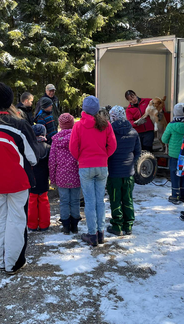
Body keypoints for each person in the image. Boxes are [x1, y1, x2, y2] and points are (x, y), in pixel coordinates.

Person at [0, 74, 40, 275]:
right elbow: (33, 157)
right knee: (16, 220)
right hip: (17, 180)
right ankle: (13, 262)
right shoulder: (18, 124)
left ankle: (1, 258)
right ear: (9, 101)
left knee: (0, 218)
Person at [69, 96, 117, 247]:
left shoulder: (78, 126)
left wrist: (81, 158)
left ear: (84, 109)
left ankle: (92, 234)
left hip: (85, 166)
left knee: (89, 202)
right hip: (102, 166)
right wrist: (103, 156)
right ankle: (100, 232)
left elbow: (72, 148)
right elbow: (113, 145)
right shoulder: (106, 124)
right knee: (100, 201)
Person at [105, 106, 141, 236]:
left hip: (114, 172)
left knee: (115, 199)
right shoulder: (133, 132)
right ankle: (128, 225)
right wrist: (131, 163)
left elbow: (106, 151)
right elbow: (138, 152)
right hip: (129, 172)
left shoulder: (109, 132)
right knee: (128, 198)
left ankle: (117, 226)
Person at [49, 113, 81, 235]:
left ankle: (66, 227)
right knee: (75, 201)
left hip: (61, 176)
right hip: (76, 174)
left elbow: (52, 161)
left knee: (64, 201)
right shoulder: (78, 137)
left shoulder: (56, 140)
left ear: (60, 125)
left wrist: (52, 178)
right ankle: (75, 226)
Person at [162, 103, 184, 205]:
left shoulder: (171, 125)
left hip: (174, 155)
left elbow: (164, 139)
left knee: (175, 174)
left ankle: (175, 195)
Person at [27, 124, 51, 232]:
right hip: (44, 177)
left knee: (31, 201)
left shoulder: (29, 147)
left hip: (32, 178)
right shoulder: (48, 147)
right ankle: (44, 224)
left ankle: (32, 225)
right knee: (44, 201)